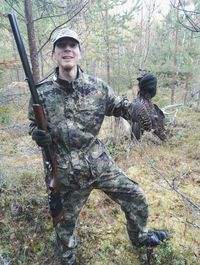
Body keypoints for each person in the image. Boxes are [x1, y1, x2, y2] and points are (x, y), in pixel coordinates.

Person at [28, 28, 168, 265]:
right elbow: (33, 124)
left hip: (98, 163)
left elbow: (125, 110)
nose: (67, 50)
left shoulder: (97, 87)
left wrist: (144, 97)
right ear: (54, 54)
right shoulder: (40, 92)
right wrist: (37, 135)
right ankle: (68, 260)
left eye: (72, 45)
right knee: (63, 229)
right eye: (61, 46)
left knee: (136, 196)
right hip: (65, 173)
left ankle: (140, 237)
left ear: (79, 53)